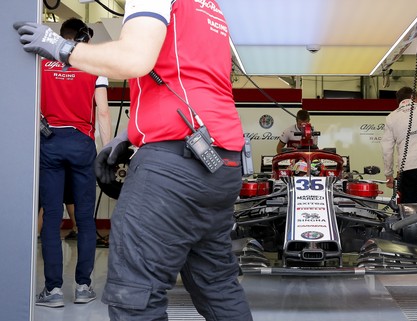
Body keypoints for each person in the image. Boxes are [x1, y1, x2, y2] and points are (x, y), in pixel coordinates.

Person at [14, 1, 253, 320]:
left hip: (174, 164)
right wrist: (132, 133)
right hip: (222, 160)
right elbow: (189, 78)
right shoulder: (208, 8)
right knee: (217, 285)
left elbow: (134, 58)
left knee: (134, 295)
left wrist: (61, 47)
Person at [26, 18, 111, 308]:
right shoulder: (93, 65)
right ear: (84, 38)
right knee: (85, 219)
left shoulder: (41, 64)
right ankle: (83, 287)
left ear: (60, 37)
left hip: (49, 142)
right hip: (81, 144)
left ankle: (53, 291)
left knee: (52, 217)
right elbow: (102, 113)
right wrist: (107, 152)